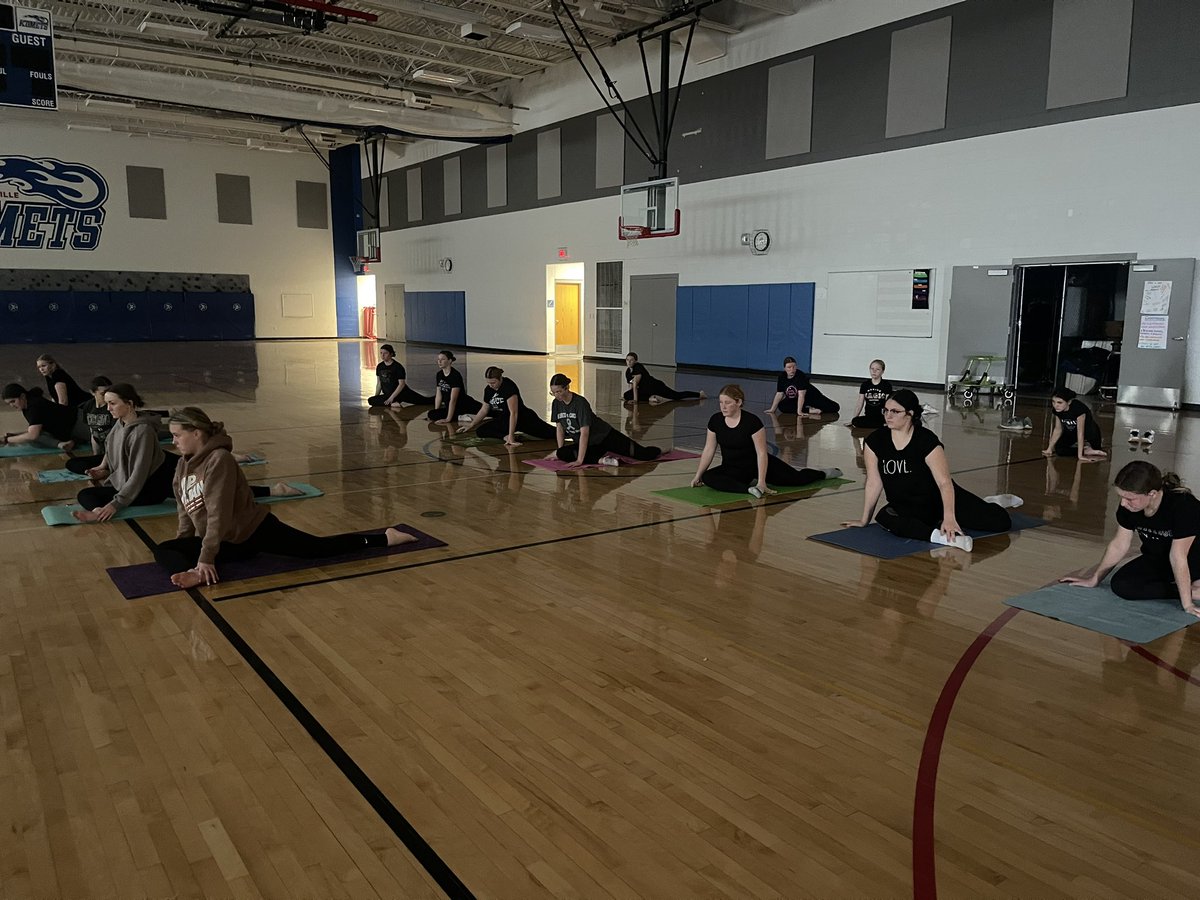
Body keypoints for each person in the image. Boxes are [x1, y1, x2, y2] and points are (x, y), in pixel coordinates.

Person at [153, 407, 417, 589]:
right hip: (224, 539)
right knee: (165, 548)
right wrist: (187, 545)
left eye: (177, 435)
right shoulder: (183, 465)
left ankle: (384, 538)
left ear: (196, 433)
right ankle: (193, 574)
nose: (174, 441)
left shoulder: (218, 460)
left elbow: (218, 513)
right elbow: (184, 509)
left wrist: (206, 557)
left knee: (315, 550)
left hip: (253, 531)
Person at [72, 386, 298, 523]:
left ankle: (274, 490)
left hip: (153, 484)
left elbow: (138, 476)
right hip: (161, 468)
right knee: (86, 495)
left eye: (112, 403)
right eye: (108, 403)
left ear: (129, 404)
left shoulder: (142, 431)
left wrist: (115, 505)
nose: (108, 407)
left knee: (213, 491)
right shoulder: (119, 425)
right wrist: (103, 468)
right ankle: (96, 510)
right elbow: (113, 452)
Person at [843, 389, 1013, 550]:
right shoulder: (875, 441)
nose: (888, 415)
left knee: (1000, 522)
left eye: (895, 411)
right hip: (907, 506)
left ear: (910, 414)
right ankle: (941, 538)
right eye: (886, 410)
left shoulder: (926, 440)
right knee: (884, 517)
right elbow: (874, 482)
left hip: (938, 500)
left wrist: (949, 518)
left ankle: (992, 503)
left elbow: (944, 482)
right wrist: (864, 519)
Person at [1060, 462, 1200, 615]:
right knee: (1121, 585)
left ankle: (1190, 587)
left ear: (1152, 493)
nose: (1123, 503)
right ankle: (1192, 589)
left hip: (1193, 559)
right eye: (1121, 497)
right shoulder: (1129, 507)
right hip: (1159, 558)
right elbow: (1119, 544)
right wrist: (1095, 578)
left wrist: (1187, 604)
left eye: (1129, 498)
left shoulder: (1184, 506)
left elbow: (1178, 556)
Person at [692, 384, 838, 497]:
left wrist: (762, 482)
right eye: (721, 402)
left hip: (756, 465)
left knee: (796, 479)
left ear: (738, 402)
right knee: (708, 477)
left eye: (727, 403)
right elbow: (709, 449)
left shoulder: (752, 422)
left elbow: (761, 453)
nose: (723, 407)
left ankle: (823, 473)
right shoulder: (715, 421)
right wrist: (698, 475)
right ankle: (749, 489)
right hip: (732, 468)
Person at [549, 373, 662, 467]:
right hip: (590, 445)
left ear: (567, 387)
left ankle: (660, 450)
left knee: (642, 455)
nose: (556, 395)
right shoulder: (556, 403)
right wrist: (560, 452)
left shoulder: (580, 403)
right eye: (553, 392)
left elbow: (585, 433)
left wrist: (579, 461)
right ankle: (603, 460)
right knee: (562, 453)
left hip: (604, 436)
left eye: (558, 392)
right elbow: (560, 429)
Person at [456, 367, 556, 445]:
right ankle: (505, 437)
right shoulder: (488, 389)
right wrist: (471, 425)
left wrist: (512, 436)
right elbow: (484, 409)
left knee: (551, 434)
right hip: (505, 419)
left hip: (523, 418)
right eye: (488, 383)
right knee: (481, 431)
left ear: (500, 379)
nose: (491, 385)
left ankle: (568, 432)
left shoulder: (508, 386)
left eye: (493, 382)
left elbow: (514, 413)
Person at [1, 383, 91, 450]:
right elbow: (36, 430)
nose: (12, 405)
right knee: (33, 438)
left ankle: (65, 443)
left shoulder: (34, 406)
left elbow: (33, 435)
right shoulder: (27, 404)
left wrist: (7, 440)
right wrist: (16, 435)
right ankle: (70, 442)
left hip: (79, 422)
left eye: (13, 401)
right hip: (69, 427)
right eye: (9, 403)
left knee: (33, 439)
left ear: (22, 396)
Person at [66, 375, 117, 474]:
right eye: (103, 393)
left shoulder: (112, 408)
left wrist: (103, 462)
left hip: (114, 451)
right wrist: (95, 455)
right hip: (102, 450)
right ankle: (96, 470)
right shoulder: (88, 406)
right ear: (93, 392)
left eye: (109, 392)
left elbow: (115, 438)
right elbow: (93, 432)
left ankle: (107, 470)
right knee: (71, 464)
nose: (107, 396)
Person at [1043, 386, 1106, 461]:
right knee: (1059, 450)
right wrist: (1049, 449)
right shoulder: (1057, 410)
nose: (1055, 405)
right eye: (1053, 402)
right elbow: (1058, 429)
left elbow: (1080, 433)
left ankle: (1087, 447)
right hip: (1072, 432)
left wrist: (1080, 456)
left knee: (1096, 447)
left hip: (1089, 432)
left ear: (1069, 402)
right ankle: (1086, 450)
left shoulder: (1078, 409)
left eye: (1059, 402)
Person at [766, 357, 840, 416]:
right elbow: (780, 394)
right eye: (789, 367)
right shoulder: (782, 377)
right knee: (782, 406)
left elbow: (801, 395)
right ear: (784, 368)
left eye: (794, 367)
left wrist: (799, 412)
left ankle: (807, 407)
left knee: (835, 407)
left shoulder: (801, 376)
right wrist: (772, 409)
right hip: (795, 398)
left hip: (811, 396)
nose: (792, 370)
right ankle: (810, 410)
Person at [367, 344, 434, 407]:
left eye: (385, 353)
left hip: (402, 393)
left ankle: (439, 398)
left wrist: (391, 398)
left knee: (426, 401)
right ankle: (393, 402)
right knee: (371, 400)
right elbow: (379, 383)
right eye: (381, 353)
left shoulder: (398, 367)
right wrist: (376, 397)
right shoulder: (379, 366)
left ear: (391, 354)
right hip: (388, 394)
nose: (382, 355)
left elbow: (401, 384)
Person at [622, 353, 705, 404]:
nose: (629, 362)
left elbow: (635, 384)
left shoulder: (638, 367)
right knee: (626, 395)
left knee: (676, 396)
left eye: (631, 360)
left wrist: (635, 400)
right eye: (627, 360)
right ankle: (649, 398)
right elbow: (631, 385)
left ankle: (699, 394)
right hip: (645, 390)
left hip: (655, 386)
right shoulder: (627, 372)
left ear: (635, 361)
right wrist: (630, 396)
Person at [427, 350, 483, 424]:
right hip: (451, 407)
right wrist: (437, 410)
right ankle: (459, 417)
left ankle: (459, 416)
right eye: (438, 359)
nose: (439, 362)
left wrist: (448, 419)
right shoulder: (439, 374)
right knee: (431, 414)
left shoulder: (455, 376)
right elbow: (438, 395)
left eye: (442, 359)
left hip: (464, 404)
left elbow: (453, 399)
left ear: (450, 361)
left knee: (492, 413)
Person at [848, 359, 893, 428]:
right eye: (872, 369)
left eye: (877, 369)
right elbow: (860, 403)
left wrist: (888, 419)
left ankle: (882, 424)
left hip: (881, 417)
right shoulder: (865, 385)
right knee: (855, 421)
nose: (874, 371)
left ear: (882, 371)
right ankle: (881, 426)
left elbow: (889, 404)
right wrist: (853, 418)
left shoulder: (887, 385)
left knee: (882, 422)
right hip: (869, 416)